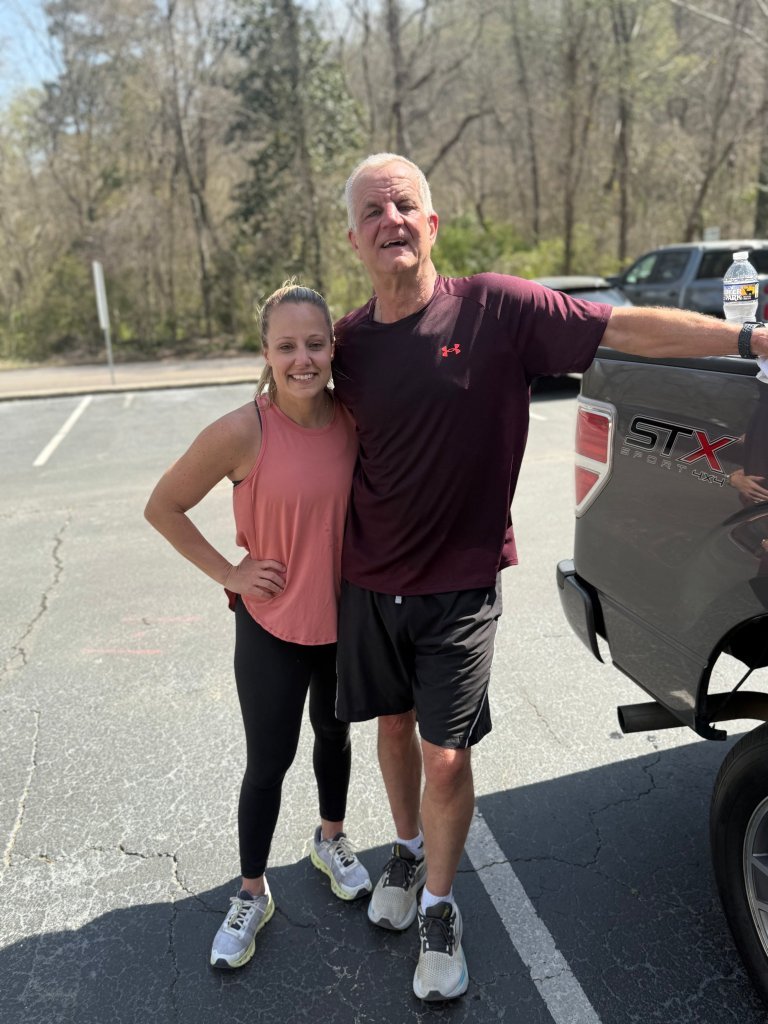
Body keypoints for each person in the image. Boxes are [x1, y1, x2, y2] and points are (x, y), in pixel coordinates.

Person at [331, 152, 768, 1002]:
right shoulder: (346, 345)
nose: (391, 221)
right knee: (392, 728)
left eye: (405, 205)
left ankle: (440, 906)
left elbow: (625, 329)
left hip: (459, 585)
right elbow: (285, 433)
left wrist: (747, 338)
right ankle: (407, 850)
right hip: (369, 582)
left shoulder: (495, 309)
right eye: (373, 212)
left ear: (432, 223)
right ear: (353, 239)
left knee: (444, 758)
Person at [144, 282, 371, 972]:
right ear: (266, 352)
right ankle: (251, 892)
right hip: (271, 625)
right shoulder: (244, 430)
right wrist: (230, 572)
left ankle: (330, 838)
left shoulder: (357, 416)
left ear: (333, 347)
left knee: (334, 735)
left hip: (344, 620)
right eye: (287, 346)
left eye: (315, 344)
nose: (303, 359)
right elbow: (164, 506)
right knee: (267, 763)